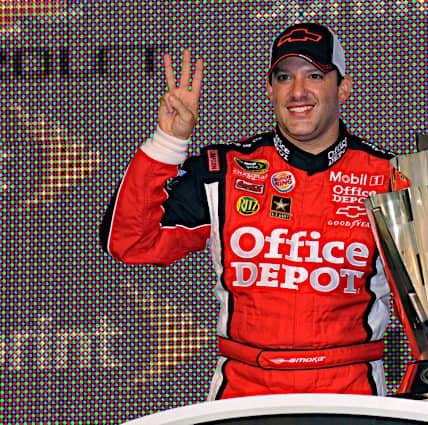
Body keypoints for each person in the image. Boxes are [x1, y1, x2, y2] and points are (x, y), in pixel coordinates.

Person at [100, 22, 395, 400]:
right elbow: (131, 241)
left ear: (344, 88)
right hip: (245, 397)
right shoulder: (223, 171)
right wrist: (168, 142)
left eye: (315, 75)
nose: (298, 91)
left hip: (350, 396)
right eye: (285, 77)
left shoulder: (389, 178)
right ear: (269, 89)